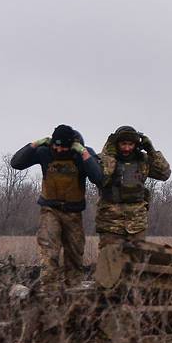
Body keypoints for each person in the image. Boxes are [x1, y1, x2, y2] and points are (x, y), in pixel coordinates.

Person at [9, 124, 103, 291]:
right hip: (50, 210)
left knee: (75, 252)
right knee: (49, 250)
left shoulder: (82, 153)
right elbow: (16, 163)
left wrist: (84, 153)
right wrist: (35, 143)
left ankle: (74, 288)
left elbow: (98, 178)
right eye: (56, 145)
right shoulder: (45, 152)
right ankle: (50, 289)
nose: (59, 150)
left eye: (63, 147)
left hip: (73, 212)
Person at [96, 126, 171, 249]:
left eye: (130, 144)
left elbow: (164, 173)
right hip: (110, 222)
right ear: (116, 144)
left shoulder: (143, 161)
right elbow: (103, 177)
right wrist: (109, 153)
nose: (127, 148)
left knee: (137, 261)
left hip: (137, 223)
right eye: (123, 144)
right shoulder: (105, 159)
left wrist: (151, 150)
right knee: (111, 260)